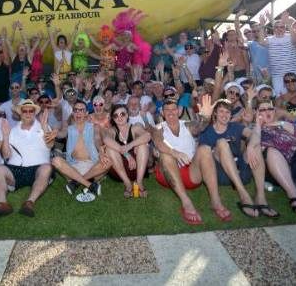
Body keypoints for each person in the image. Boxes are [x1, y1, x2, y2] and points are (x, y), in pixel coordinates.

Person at [152, 95, 229, 224]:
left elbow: (200, 127)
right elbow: (159, 143)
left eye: (174, 109)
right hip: (167, 174)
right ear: (162, 113)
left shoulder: (187, 125)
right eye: (167, 110)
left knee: (205, 149)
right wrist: (174, 152)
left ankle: (216, 201)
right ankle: (186, 203)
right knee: (165, 155)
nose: (171, 112)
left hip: (190, 174)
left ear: (179, 111)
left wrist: (205, 117)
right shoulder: (158, 127)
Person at [198, 99, 278, 218]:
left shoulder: (235, 126)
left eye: (227, 112)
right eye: (221, 111)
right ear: (214, 113)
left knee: (255, 145)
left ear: (231, 114)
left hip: (242, 172)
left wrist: (250, 146)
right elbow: (205, 160)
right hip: (222, 175)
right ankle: (243, 195)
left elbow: (254, 134)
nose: (224, 115)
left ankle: (260, 197)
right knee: (221, 143)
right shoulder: (207, 131)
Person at [0, 99, 56, 219]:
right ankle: (2, 204)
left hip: (38, 169)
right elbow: (6, 155)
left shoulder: (43, 126)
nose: (28, 113)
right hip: (16, 169)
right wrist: (6, 137)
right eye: (25, 111)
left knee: (47, 168)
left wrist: (45, 128)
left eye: (31, 111)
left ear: (35, 113)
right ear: (20, 113)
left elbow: (50, 145)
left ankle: (29, 202)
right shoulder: (12, 131)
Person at [51, 100, 111, 200]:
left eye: (81, 110)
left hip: (92, 166)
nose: (78, 113)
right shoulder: (69, 128)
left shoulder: (94, 127)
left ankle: (76, 182)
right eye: (76, 110)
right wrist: (55, 133)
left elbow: (97, 140)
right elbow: (62, 134)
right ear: (73, 113)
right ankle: (91, 184)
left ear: (86, 113)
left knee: (109, 161)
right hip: (74, 166)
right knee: (55, 160)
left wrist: (101, 151)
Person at [103, 105, 150, 198]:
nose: (119, 117)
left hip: (137, 168)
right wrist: (127, 155)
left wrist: (130, 145)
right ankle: (128, 184)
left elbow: (147, 136)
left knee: (143, 145)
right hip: (119, 171)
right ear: (113, 118)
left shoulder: (134, 127)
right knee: (109, 149)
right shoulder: (111, 130)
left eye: (122, 114)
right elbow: (106, 139)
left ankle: (139, 182)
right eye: (116, 115)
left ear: (127, 115)